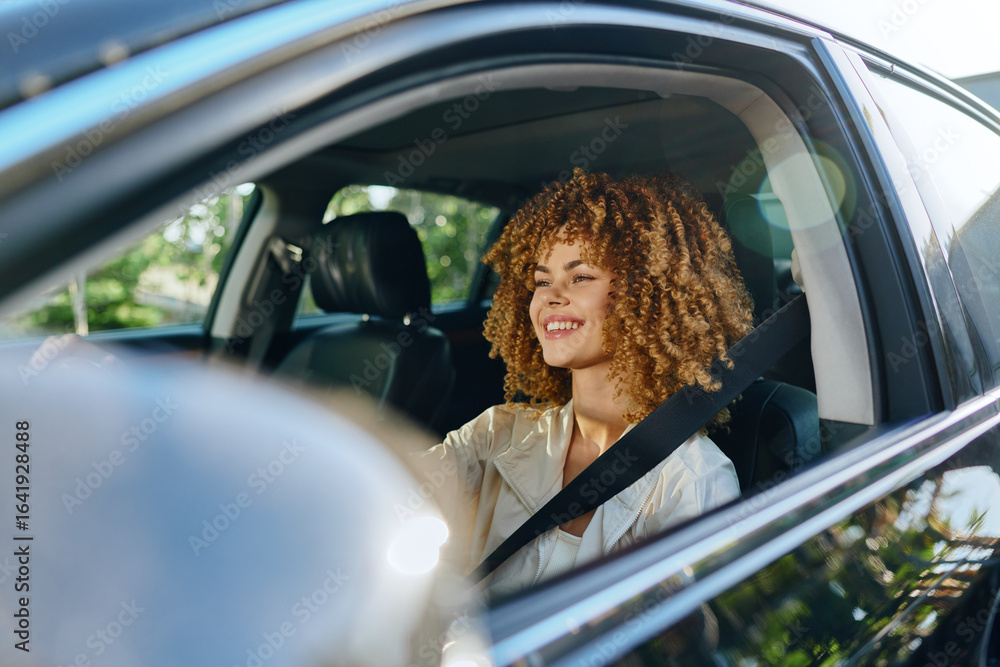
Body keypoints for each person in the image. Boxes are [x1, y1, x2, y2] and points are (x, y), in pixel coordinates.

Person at [420, 168, 755, 596]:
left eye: (580, 277)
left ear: (645, 293)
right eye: (542, 281)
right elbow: (386, 490)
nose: (550, 296)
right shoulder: (497, 434)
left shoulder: (692, 480)